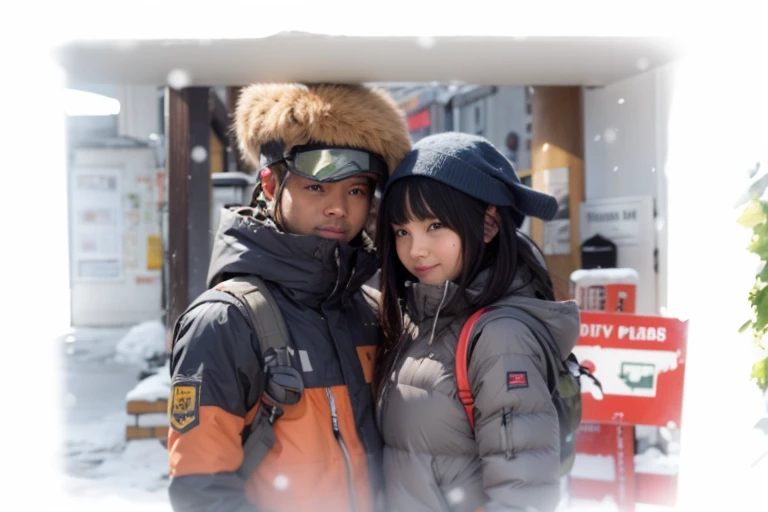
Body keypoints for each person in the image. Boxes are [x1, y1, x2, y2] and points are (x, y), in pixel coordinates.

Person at [167, 83, 411, 512]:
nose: (339, 207)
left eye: (356, 190)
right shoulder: (225, 321)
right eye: (317, 187)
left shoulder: (369, 309)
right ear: (270, 181)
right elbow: (202, 490)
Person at [374, 132, 580, 512]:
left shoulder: (501, 338)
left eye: (434, 225)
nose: (416, 249)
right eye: (403, 230)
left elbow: (522, 497)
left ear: (487, 225)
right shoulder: (422, 322)